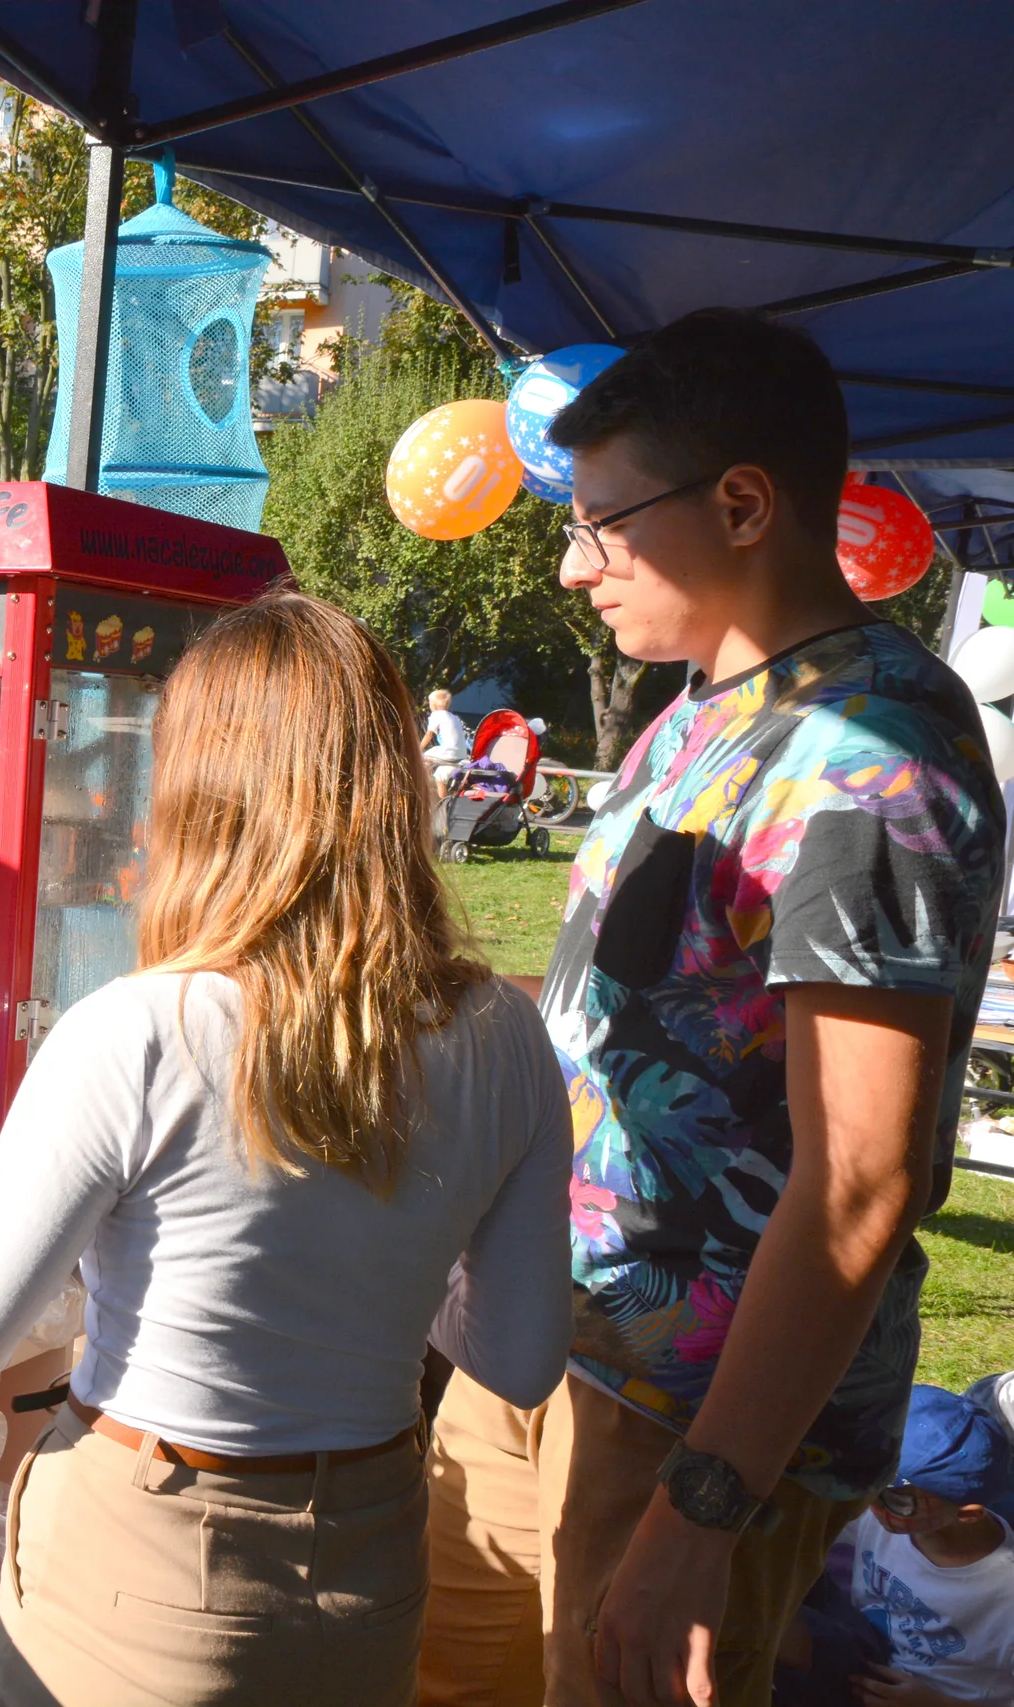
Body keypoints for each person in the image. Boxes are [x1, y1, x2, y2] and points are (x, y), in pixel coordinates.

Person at [0, 592, 571, 1707]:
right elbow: (519, 1360)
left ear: (194, 790)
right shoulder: (502, 1033)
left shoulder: (143, 1030)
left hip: (150, 1555)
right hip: (373, 1547)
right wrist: (375, 1268)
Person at [418, 308, 1008, 1707]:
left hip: (689, 1425)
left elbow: (858, 1182)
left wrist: (703, 1510)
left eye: (606, 523)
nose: (574, 565)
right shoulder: (696, 717)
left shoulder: (871, 753)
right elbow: (659, 1010)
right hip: (547, 1351)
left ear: (743, 501)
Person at [774, 1385, 1014, 1707]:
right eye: (872, 1482)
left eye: (898, 1498)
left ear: (969, 1514)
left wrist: (935, 1703)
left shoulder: (1005, 1601)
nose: (871, 1504)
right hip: (868, 1656)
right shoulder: (892, 1512)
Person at [421, 687, 468, 798]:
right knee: (440, 776)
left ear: (434, 705)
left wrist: (418, 747)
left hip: (448, 753)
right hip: (460, 754)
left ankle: (423, 788)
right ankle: (444, 803)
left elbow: (428, 735)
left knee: (421, 758)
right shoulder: (454, 717)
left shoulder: (436, 715)